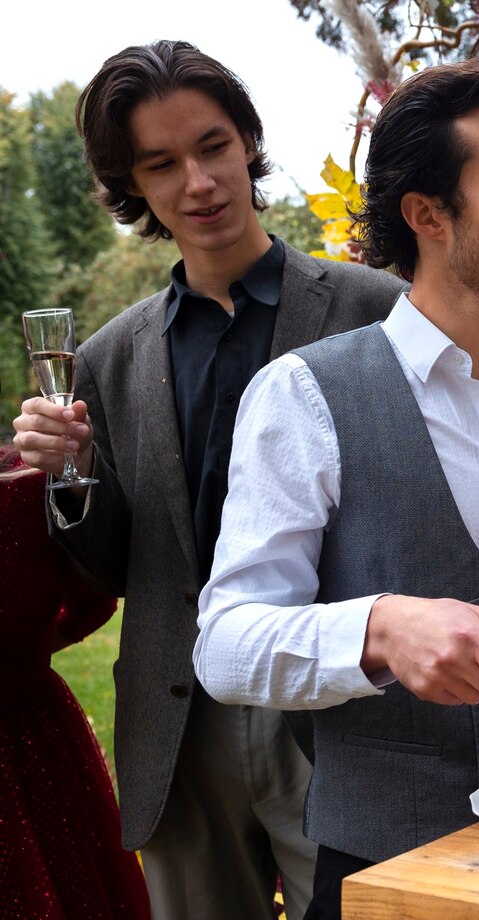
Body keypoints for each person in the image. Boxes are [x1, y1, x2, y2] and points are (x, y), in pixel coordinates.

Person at [193, 56, 479, 920]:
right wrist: (379, 628)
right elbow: (226, 645)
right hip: (384, 880)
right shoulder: (306, 394)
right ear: (428, 216)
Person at [10, 41, 405, 920]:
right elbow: (107, 569)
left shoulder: (375, 312)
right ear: (134, 188)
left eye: (214, 146)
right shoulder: (109, 357)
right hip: (180, 727)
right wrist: (71, 473)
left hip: (336, 708)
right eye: (162, 164)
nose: (199, 181)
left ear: (248, 144)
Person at [0, 446, 151, 920]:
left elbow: (96, 589)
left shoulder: (27, 486)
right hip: (27, 728)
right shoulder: (26, 485)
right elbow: (91, 599)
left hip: (24, 742)